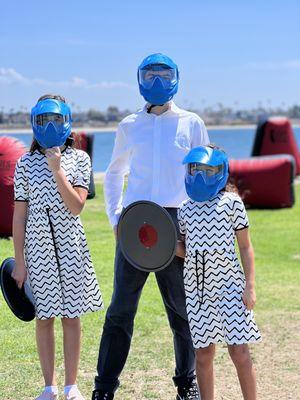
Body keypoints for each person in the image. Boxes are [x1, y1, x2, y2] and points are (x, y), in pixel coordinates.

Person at [92, 53, 209, 400]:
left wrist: (197, 229)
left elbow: (205, 175)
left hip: (178, 223)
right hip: (136, 221)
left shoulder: (191, 123)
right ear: (139, 79)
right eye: (150, 74)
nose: (157, 81)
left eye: (164, 74)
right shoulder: (129, 125)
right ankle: (104, 387)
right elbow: (114, 173)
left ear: (176, 78)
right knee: (120, 309)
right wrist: (115, 218)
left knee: (182, 311)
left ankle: (186, 385)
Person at [12, 94, 103, 400]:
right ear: (34, 123)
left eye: (55, 119)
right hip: (38, 249)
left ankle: (71, 385)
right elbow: (20, 214)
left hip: (70, 247)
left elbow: (76, 206)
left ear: (66, 121)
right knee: (44, 317)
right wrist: (19, 261)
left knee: (71, 316)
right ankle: (49, 386)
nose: (49, 126)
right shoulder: (24, 164)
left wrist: (57, 169)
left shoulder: (80, 159)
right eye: (43, 120)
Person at [177, 145, 261, 400]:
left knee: (239, 352)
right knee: (203, 355)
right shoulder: (185, 208)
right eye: (195, 169)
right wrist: (162, 245)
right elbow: (185, 250)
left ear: (221, 172)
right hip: (197, 290)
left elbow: (245, 247)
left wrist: (250, 285)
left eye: (207, 169)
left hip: (231, 287)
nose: (200, 175)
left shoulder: (232, 203)